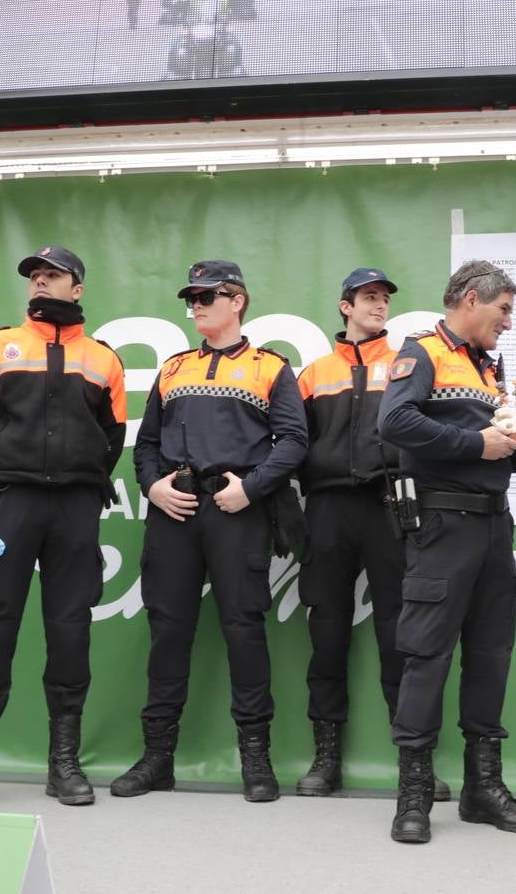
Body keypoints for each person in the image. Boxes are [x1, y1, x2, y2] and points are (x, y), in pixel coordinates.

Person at [0, 245, 127, 811]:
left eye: (54, 275)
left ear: (78, 288)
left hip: (74, 508)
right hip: (7, 502)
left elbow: (111, 437)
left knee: (70, 630)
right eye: (35, 276)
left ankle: (63, 764)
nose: (41, 283)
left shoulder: (103, 359)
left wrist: (79, 478)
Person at [114, 259, 307, 803]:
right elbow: (146, 442)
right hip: (173, 510)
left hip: (237, 512)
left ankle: (256, 760)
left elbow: (293, 441)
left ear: (237, 300)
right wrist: (152, 487)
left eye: (207, 296)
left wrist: (252, 488)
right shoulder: (172, 368)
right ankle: (157, 760)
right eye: (191, 297)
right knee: (167, 631)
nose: (196, 305)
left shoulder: (272, 367)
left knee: (243, 630)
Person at [376, 259, 516, 844]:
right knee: (426, 656)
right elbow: (394, 422)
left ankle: (482, 789)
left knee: (492, 652)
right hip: (441, 526)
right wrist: (477, 443)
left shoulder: (489, 366)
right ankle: (414, 795)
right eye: (504, 311)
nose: (508, 323)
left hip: (495, 527)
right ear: (472, 299)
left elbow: (497, 449)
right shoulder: (421, 352)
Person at [292, 267, 451, 802]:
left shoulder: (406, 362)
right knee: (327, 634)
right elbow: (293, 443)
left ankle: (415, 767)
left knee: (400, 637)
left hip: (391, 506)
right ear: (345, 306)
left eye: (383, 298)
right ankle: (325, 759)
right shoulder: (313, 372)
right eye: (368, 297)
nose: (378, 305)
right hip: (329, 508)